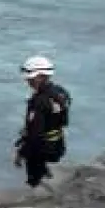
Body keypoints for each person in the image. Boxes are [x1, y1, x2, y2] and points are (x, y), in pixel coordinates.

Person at [14, 55, 72, 188]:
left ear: (40, 76)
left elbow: (35, 136)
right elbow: (61, 118)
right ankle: (45, 173)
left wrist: (21, 153)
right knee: (41, 162)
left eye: (30, 78)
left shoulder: (39, 101)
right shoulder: (61, 92)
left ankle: (37, 187)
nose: (27, 81)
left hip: (41, 148)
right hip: (58, 144)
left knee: (34, 176)